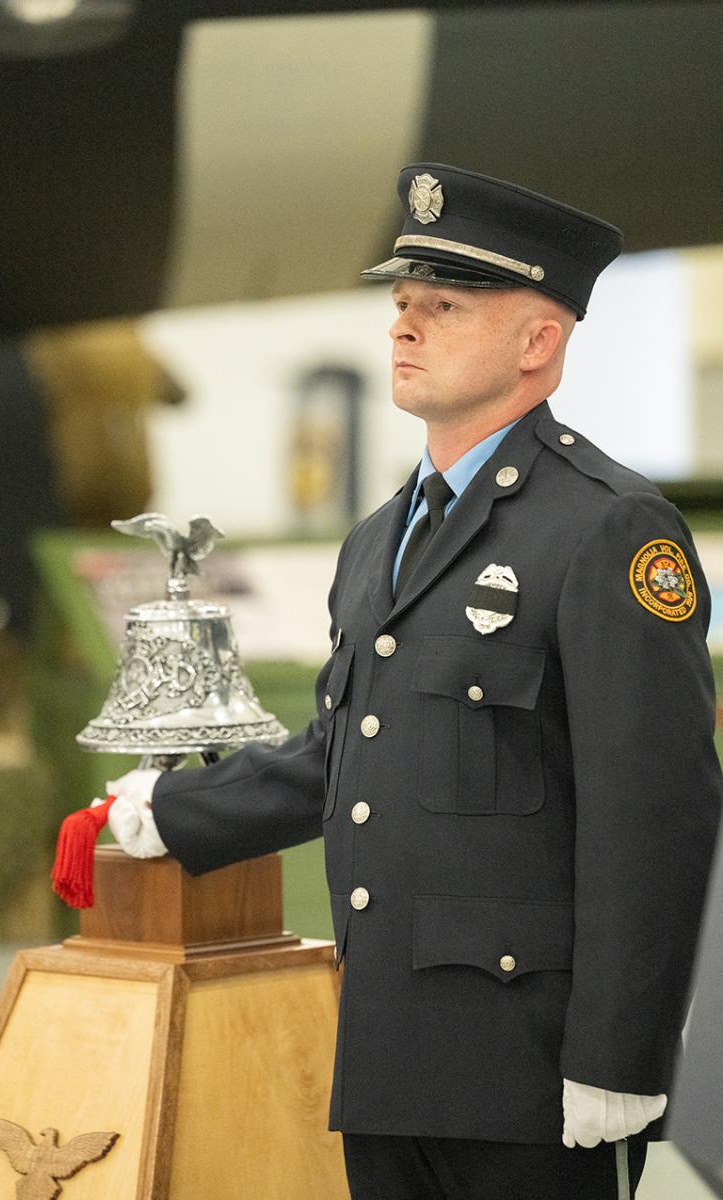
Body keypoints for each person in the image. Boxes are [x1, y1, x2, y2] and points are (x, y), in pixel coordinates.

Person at [103, 164, 723, 1199]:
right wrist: (175, 807)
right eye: (399, 303)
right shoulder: (377, 538)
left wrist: (618, 1058)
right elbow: (348, 750)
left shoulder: (605, 529)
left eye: (443, 305)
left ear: (537, 342)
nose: (403, 325)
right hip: (387, 1054)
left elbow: (653, 811)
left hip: (531, 1066)